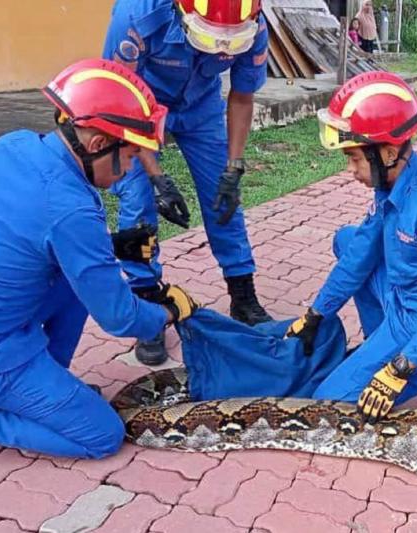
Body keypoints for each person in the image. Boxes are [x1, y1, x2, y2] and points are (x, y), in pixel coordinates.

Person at [0, 59, 198, 459]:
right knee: (101, 436)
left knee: (75, 279)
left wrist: (115, 246)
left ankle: (47, 383)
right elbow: (119, 318)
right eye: (131, 157)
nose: (130, 168)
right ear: (98, 145)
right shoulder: (72, 210)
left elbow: (22, 234)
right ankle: (3, 404)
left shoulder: (14, 144)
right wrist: (169, 312)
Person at [285, 72, 417, 424]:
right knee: (348, 241)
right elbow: (360, 252)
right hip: (402, 296)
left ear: (389, 153)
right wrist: (316, 315)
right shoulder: (390, 185)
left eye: (356, 158)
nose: (350, 170)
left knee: (329, 404)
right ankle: (381, 346)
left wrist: (400, 367)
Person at [102, 0, 273, 366]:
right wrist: (157, 177)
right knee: (138, 201)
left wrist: (234, 167)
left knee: (223, 196)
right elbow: (120, 100)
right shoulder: (136, 18)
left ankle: (243, 294)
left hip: (201, 107)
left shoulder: (253, 23)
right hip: (139, 107)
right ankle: (147, 306)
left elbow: (242, 96)